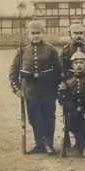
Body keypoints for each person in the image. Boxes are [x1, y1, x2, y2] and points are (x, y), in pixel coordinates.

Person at [9, 20, 61, 155]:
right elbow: (13, 72)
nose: (36, 36)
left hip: (48, 91)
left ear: (42, 34)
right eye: (33, 33)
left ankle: (48, 144)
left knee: (48, 117)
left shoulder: (51, 50)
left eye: (38, 33)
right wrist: (17, 89)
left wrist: (57, 88)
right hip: (30, 91)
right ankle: (39, 143)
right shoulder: (22, 51)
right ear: (28, 35)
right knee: (34, 118)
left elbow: (59, 71)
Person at [58, 49, 85, 157]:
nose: (79, 65)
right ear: (72, 65)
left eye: (81, 62)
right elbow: (63, 99)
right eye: (76, 63)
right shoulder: (67, 81)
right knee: (72, 123)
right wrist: (74, 108)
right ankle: (79, 143)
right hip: (73, 112)